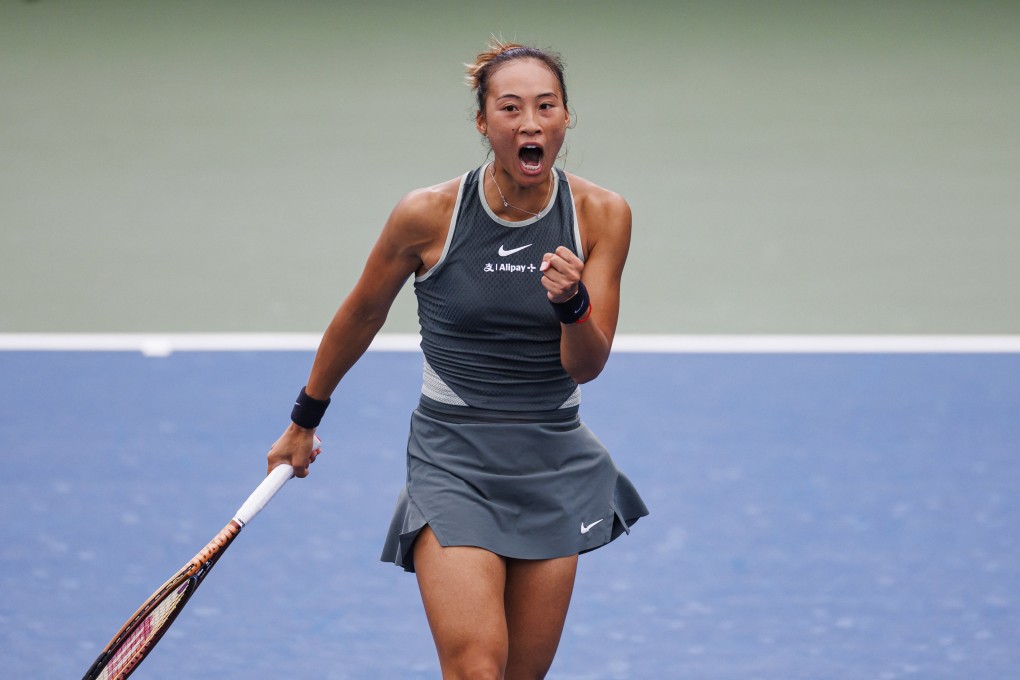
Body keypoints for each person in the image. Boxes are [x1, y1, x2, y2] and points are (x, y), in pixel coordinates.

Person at [267, 38, 648, 680]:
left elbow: (587, 365)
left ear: (564, 119)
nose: (530, 122)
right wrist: (305, 418)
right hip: (453, 456)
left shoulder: (602, 215)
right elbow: (361, 313)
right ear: (483, 122)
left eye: (546, 106)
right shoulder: (429, 215)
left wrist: (573, 303)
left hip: (552, 457)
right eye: (510, 108)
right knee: (476, 666)